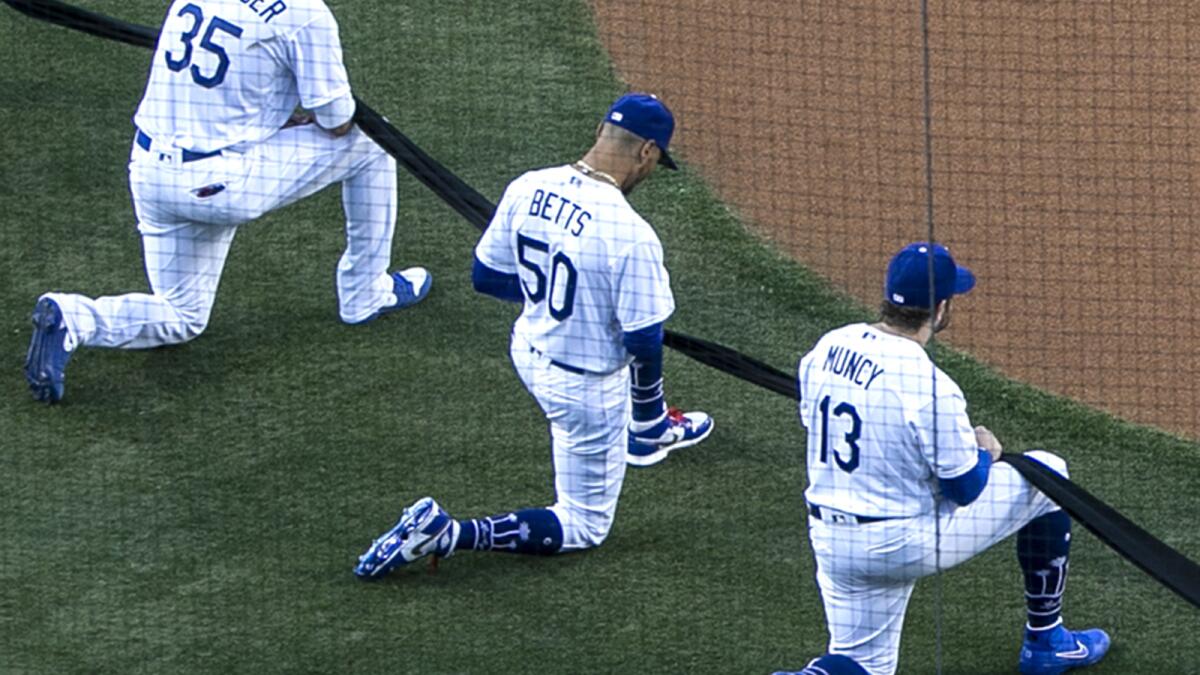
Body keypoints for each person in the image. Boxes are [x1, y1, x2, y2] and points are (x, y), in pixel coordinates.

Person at [353, 93, 713, 578]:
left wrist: (555, 305)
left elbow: (486, 276)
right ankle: (449, 533)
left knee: (592, 365)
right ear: (647, 151)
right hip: (585, 391)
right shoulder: (631, 233)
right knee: (584, 525)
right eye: (654, 162)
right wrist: (646, 413)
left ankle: (649, 428)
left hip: (528, 350)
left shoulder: (530, 186)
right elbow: (645, 340)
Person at [24, 0, 430, 404]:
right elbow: (337, 121)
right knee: (374, 142)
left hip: (150, 173)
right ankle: (365, 293)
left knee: (183, 317)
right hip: (221, 186)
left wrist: (272, 112)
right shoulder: (305, 13)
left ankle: (74, 316)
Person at [783, 243, 1110, 675]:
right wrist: (982, 451)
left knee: (860, 666)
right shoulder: (928, 382)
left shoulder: (829, 345)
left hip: (831, 539)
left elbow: (815, 422)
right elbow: (965, 487)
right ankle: (1046, 640)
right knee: (1048, 473)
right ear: (939, 309)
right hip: (903, 542)